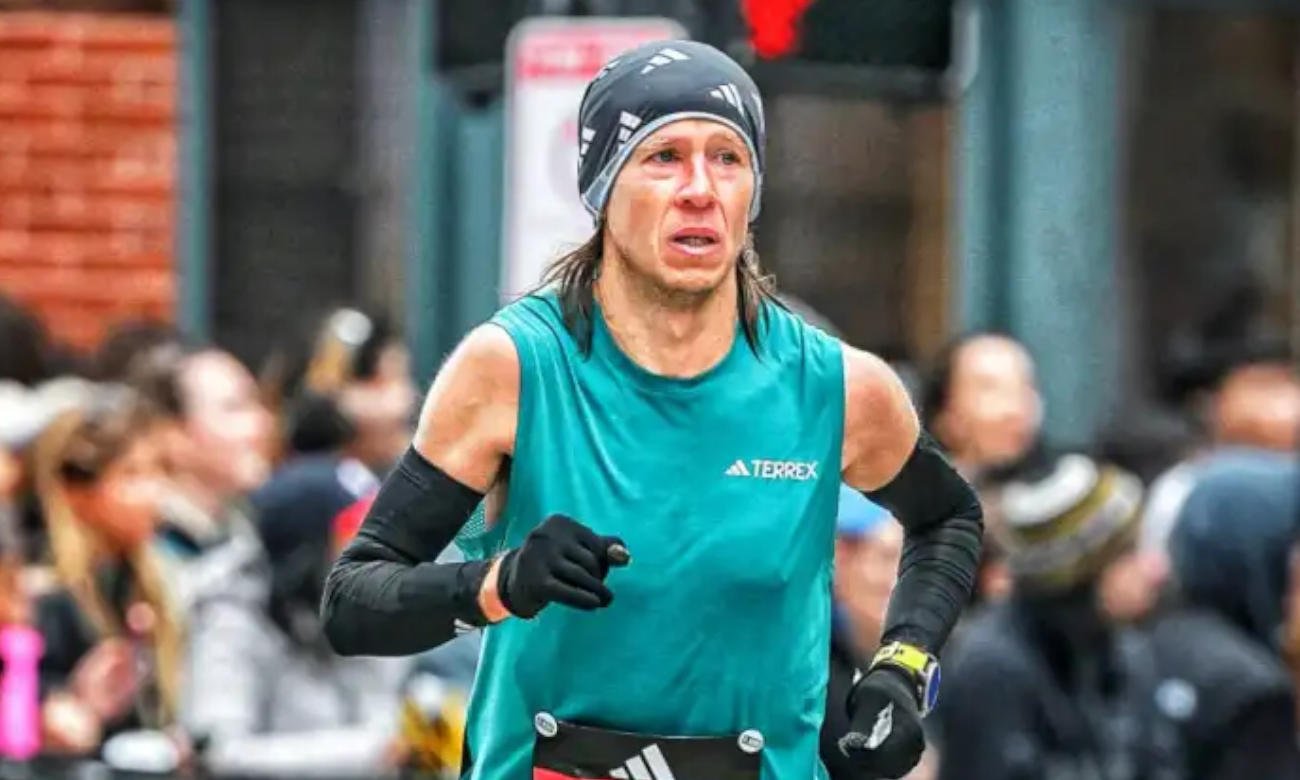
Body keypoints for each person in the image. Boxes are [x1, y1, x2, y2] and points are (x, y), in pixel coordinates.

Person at [321, 40, 982, 780]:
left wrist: (903, 664)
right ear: (603, 187)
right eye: (662, 156)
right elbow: (352, 601)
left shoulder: (836, 385)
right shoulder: (513, 368)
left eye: (727, 159)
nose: (700, 188)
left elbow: (948, 518)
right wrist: (497, 584)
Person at [934, 453, 1300, 780]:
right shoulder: (992, 672)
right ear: (1077, 580)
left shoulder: (1118, 646)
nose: (1155, 568)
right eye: (1128, 554)